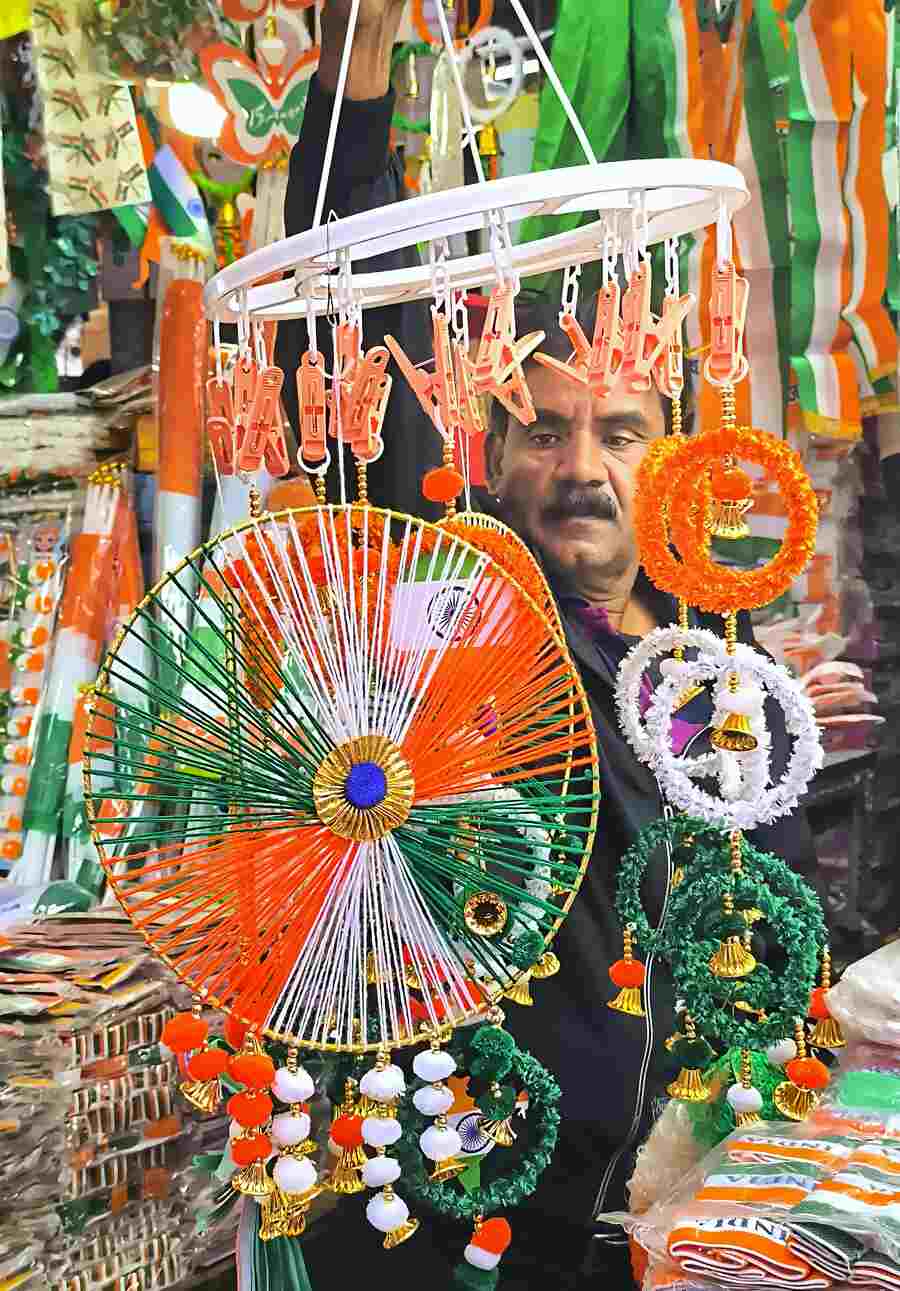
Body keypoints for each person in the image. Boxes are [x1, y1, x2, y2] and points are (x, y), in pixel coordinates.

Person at [276, 3, 819, 1287]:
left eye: (619, 433)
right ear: (487, 453)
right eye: (541, 431)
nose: (581, 467)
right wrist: (357, 74)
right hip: (479, 1206)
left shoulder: (713, 650)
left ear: (669, 455)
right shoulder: (457, 620)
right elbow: (350, 346)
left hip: (689, 1201)